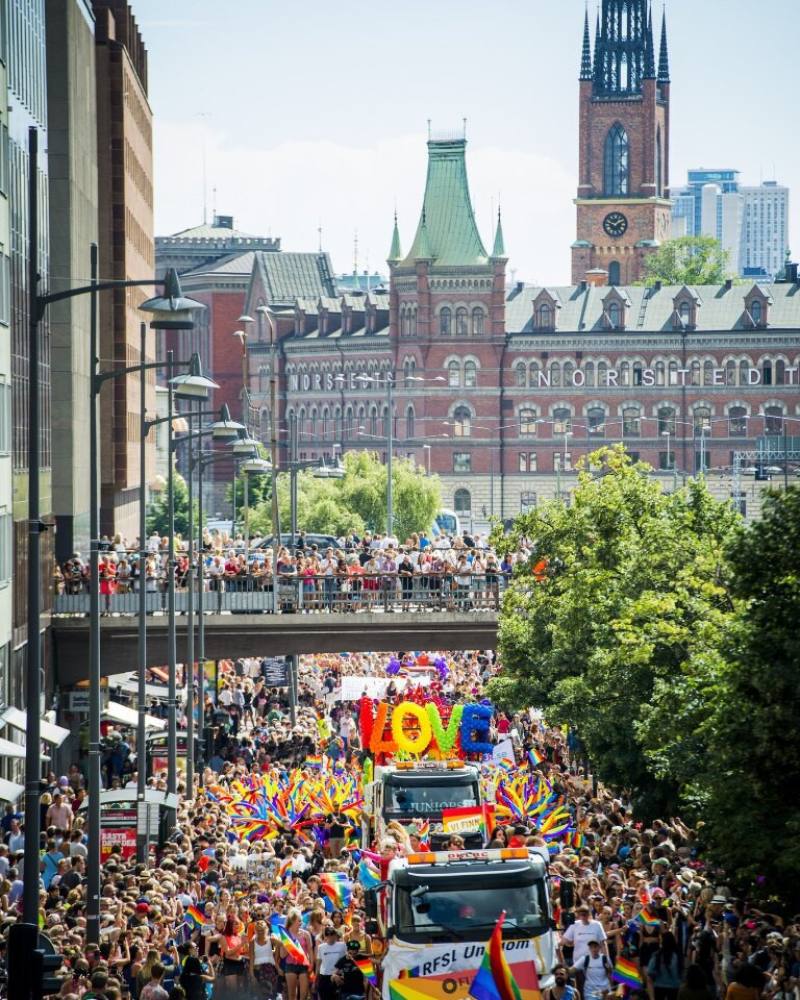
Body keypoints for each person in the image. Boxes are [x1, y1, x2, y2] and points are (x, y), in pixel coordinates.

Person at [249, 919, 280, 1000]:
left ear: (266, 930)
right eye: (258, 930)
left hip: (270, 971)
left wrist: (276, 963)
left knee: (271, 995)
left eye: (262, 930)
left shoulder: (271, 939)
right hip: (258, 971)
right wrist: (251, 975)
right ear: (255, 930)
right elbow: (251, 958)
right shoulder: (252, 941)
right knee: (260, 996)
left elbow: (280, 946)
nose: (260, 932)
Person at [647, 932, 683, 1000]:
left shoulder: (656, 956)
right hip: (674, 988)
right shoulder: (678, 957)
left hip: (659, 988)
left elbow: (649, 978)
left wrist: (651, 997)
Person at [316, 927, 347, 1000]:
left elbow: (346, 959)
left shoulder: (342, 945)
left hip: (338, 976)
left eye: (332, 935)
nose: (330, 937)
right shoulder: (321, 947)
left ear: (335, 935)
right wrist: (316, 979)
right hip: (324, 976)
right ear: (325, 936)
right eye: (328, 935)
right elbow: (318, 964)